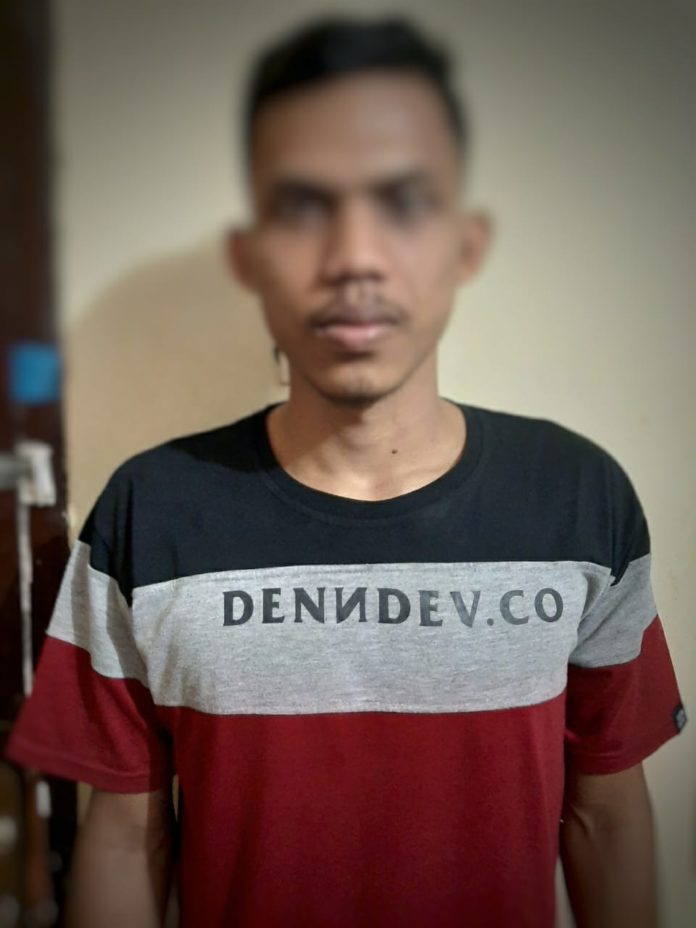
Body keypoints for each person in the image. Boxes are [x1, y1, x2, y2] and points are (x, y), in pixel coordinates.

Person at [4, 15, 687, 928]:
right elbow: (128, 840)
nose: (354, 258)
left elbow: (606, 816)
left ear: (465, 244)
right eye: (302, 206)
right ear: (250, 258)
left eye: (403, 202)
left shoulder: (578, 498)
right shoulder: (148, 512)